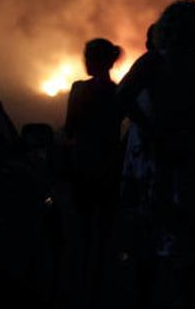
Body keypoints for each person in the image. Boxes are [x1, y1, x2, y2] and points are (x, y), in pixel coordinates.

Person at [118, 0, 195, 309]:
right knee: (193, 243)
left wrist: (149, 129)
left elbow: (122, 97)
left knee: (154, 237)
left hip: (164, 158)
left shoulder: (153, 62)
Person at [64, 38, 124, 309]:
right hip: (109, 165)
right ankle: (100, 286)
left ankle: (79, 287)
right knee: (104, 231)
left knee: (82, 228)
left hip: (82, 164)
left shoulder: (78, 89)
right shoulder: (119, 92)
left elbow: (69, 128)